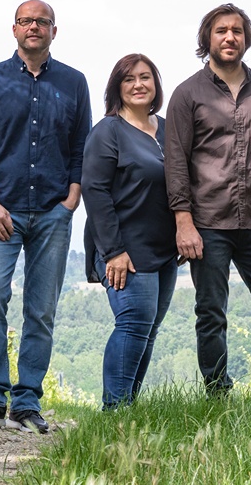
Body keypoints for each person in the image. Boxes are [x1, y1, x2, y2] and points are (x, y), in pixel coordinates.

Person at [0, 0, 91, 433]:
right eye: (26, 21)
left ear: (55, 31)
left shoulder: (74, 83)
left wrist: (71, 200)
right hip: (2, 211)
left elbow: (81, 149)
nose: (33, 27)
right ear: (13, 29)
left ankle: (27, 401)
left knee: (41, 309)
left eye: (42, 21)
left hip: (54, 213)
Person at [164, 3, 251, 400]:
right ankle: (217, 394)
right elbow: (175, 162)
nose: (230, 37)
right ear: (207, 38)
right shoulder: (187, 94)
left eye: (237, 31)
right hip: (206, 222)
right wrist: (183, 222)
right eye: (221, 30)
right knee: (211, 313)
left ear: (247, 38)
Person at [81, 54, 178, 409]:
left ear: (156, 85)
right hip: (126, 250)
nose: (139, 85)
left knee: (147, 331)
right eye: (129, 79)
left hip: (166, 249)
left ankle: (127, 410)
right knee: (132, 326)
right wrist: (114, 252)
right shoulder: (107, 132)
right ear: (117, 89)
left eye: (145, 77)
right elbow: (95, 192)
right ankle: (114, 411)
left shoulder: (169, 129)